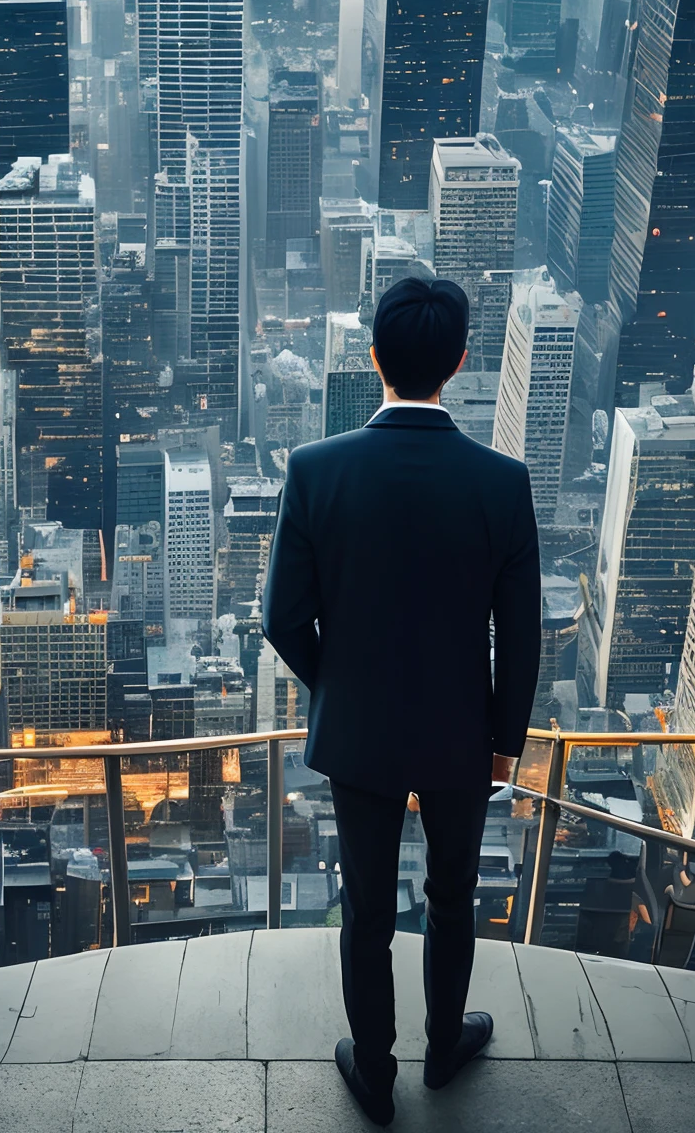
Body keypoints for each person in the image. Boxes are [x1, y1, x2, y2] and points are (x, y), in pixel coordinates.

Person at [262, 275, 541, 1127]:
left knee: (368, 913)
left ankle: (375, 1077)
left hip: (361, 737)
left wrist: (342, 689)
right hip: (463, 736)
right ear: (459, 362)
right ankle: (445, 1048)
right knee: (452, 896)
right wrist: (504, 741)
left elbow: (282, 619)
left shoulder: (316, 471)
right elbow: (520, 635)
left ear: (373, 356)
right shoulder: (503, 481)